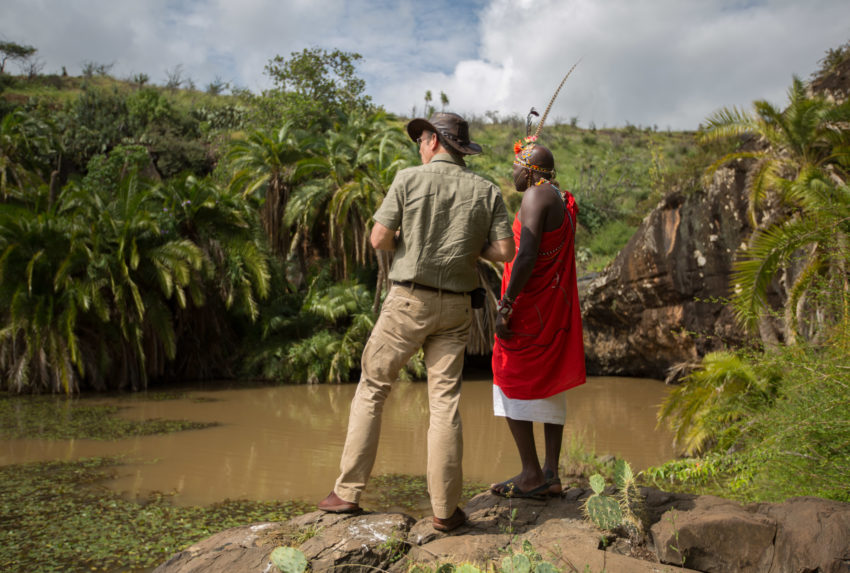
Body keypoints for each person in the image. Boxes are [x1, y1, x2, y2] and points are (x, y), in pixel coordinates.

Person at [318, 112, 515, 532]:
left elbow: (377, 238)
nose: (419, 146)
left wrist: (407, 241)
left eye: (421, 139)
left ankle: (347, 493)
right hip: (457, 308)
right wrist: (466, 247)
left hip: (408, 301)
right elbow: (504, 251)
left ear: (433, 142)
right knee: (445, 404)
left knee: (373, 388)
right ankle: (445, 511)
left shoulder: (409, 179)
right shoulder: (486, 190)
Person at [489, 140, 586, 498]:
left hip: (530, 307)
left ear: (529, 170)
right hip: (552, 307)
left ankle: (531, 474)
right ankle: (551, 472)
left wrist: (507, 303)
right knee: (549, 382)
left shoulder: (534, 198)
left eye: (515, 166)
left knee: (508, 374)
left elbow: (527, 254)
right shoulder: (560, 198)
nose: (511, 172)